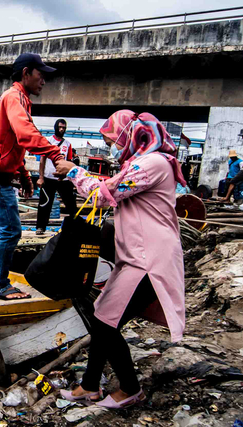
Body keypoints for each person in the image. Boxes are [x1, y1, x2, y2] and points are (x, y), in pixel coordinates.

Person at [54, 110, 186, 409]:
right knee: (103, 316)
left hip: (149, 260)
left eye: (111, 139)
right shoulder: (141, 163)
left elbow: (105, 193)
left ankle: (129, 388)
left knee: (104, 322)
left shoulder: (152, 164)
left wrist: (75, 172)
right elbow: (111, 184)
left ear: (130, 134)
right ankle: (89, 385)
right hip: (136, 256)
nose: (111, 145)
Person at [0, 53, 66, 301]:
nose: (44, 81)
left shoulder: (20, 99)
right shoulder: (14, 97)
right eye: (41, 75)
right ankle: (1, 286)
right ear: (26, 73)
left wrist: (25, 176)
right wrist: (56, 154)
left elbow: (12, 144)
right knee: (11, 230)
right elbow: (25, 133)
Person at [36, 119, 77, 235]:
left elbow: (69, 161)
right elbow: (42, 160)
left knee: (70, 204)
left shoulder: (67, 144)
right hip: (49, 177)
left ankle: (75, 226)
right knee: (44, 203)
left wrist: (71, 179)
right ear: (55, 127)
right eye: (60, 127)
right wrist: (41, 177)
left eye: (64, 128)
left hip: (63, 179)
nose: (62, 130)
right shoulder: (48, 141)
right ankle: (40, 227)